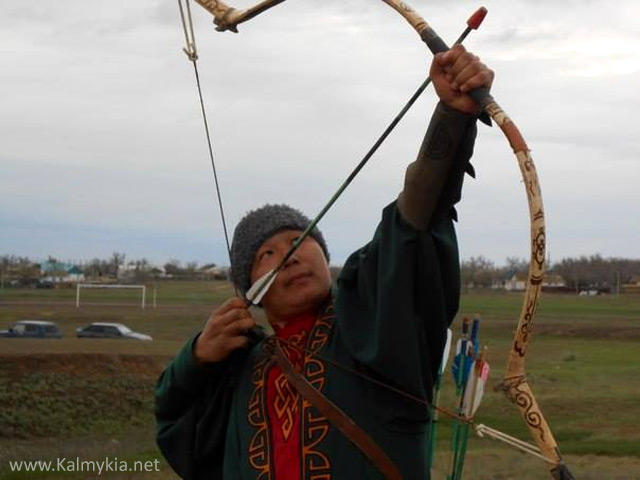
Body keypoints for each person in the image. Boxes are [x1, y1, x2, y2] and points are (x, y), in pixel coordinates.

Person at [155, 45, 494, 480]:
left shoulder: (371, 324)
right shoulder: (241, 366)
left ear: (323, 253)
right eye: (267, 255)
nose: (289, 257)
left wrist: (451, 116)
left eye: (299, 241)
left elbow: (411, 229)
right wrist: (198, 358)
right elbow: (175, 423)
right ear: (248, 290)